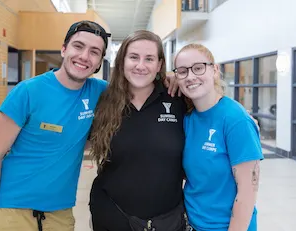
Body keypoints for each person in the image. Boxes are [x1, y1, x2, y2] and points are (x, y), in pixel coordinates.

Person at [0, 20, 112, 231]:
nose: (84, 56)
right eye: (78, 46)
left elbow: (137, 88)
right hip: (14, 211)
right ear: (63, 49)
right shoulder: (28, 92)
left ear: (99, 63)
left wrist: (171, 81)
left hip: (60, 214)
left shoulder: (101, 91)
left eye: (94, 52)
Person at [88, 30, 189, 231]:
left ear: (159, 65)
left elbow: (212, 111)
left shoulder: (178, 98)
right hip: (112, 216)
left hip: (166, 221)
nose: (140, 65)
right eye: (133, 57)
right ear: (122, 61)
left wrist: (240, 117)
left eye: (149, 59)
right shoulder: (103, 100)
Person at [173, 43, 264, 231]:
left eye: (198, 68)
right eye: (182, 71)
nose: (191, 76)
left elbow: (247, 193)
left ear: (214, 70)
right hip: (190, 224)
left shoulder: (236, 119)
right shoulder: (188, 118)